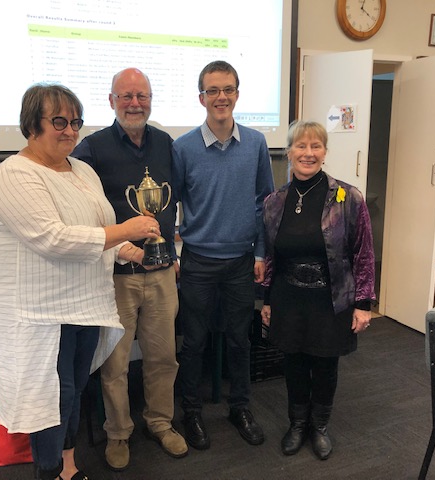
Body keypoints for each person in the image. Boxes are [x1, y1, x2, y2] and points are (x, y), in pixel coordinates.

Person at [0, 83, 161, 480]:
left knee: (74, 390)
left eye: (75, 122)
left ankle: (67, 467)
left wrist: (128, 250)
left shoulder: (81, 170)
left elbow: (96, 229)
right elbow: (53, 239)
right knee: (50, 400)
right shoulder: (13, 174)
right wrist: (127, 229)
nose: (69, 131)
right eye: (59, 121)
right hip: (39, 317)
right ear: (32, 125)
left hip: (84, 304)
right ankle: (47, 471)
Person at [71, 68, 187, 471]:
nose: (134, 103)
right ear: (111, 101)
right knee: (116, 363)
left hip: (160, 273)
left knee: (163, 357)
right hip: (115, 278)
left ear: (151, 100)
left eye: (142, 96)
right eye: (126, 97)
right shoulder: (91, 148)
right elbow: (70, 199)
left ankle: (160, 422)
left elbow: (185, 195)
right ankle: (118, 432)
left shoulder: (167, 144)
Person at [172, 60, 274, 449]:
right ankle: (192, 413)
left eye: (227, 89)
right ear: (202, 98)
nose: (221, 97)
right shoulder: (182, 148)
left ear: (237, 94)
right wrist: (173, 255)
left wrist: (262, 251)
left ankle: (239, 406)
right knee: (194, 341)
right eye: (213, 90)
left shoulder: (256, 143)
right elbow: (169, 207)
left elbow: (265, 202)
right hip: (197, 262)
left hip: (240, 261)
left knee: (239, 341)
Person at [260, 120, 375, 461]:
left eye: (316, 147)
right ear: (289, 151)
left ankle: (319, 426)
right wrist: (266, 300)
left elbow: (363, 252)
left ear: (325, 153)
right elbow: (269, 256)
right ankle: (297, 424)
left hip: (331, 299)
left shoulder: (347, 197)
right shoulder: (274, 201)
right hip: (288, 297)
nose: (308, 153)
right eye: (301, 146)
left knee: (325, 364)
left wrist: (364, 303)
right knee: (293, 363)